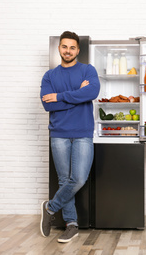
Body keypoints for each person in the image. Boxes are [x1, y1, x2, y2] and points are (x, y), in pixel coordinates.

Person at [39, 31, 100, 243]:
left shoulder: (87, 70)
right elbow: (48, 104)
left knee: (78, 178)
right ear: (59, 49)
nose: (68, 51)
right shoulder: (49, 76)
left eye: (72, 47)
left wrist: (61, 96)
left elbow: (91, 93)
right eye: (64, 47)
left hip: (83, 132)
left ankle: (50, 207)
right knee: (65, 180)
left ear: (78, 50)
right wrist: (77, 95)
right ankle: (71, 224)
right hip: (59, 134)